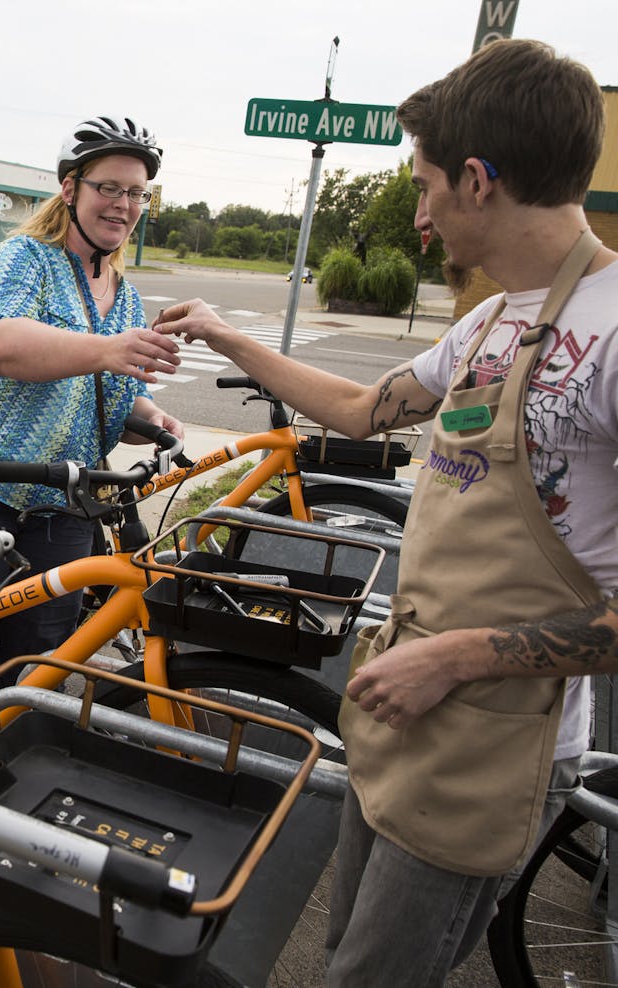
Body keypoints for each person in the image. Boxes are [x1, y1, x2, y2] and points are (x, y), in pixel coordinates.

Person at [154, 39, 618, 987]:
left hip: (490, 742)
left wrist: (455, 656)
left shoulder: (612, 334)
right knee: (343, 960)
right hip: (405, 712)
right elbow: (367, 411)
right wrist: (230, 336)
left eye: (426, 185)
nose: (420, 214)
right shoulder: (491, 321)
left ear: (478, 181)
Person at [0, 115, 184, 711]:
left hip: (58, 499)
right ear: (70, 188)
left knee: (43, 667)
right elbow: (0, 346)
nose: (123, 205)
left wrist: (153, 418)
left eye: (136, 193)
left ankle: (2, 778)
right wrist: (109, 349)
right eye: (109, 187)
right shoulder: (23, 259)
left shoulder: (124, 294)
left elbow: (103, 392)